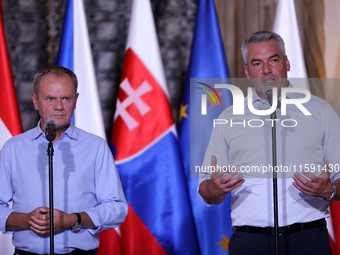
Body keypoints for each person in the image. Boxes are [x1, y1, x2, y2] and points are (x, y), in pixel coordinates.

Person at [198, 31, 340, 255]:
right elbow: (206, 190)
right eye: (257, 63)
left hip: (308, 240)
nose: (266, 70)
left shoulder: (321, 111)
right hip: (249, 241)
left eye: (273, 60)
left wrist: (330, 190)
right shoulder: (229, 118)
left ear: (286, 63)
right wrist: (214, 189)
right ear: (247, 71)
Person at [0, 66, 128, 255]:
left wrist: (72, 220)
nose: (59, 106)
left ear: (75, 101)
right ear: (35, 101)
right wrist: (28, 220)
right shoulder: (14, 148)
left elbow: (117, 208)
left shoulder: (96, 147)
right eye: (50, 99)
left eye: (66, 99)